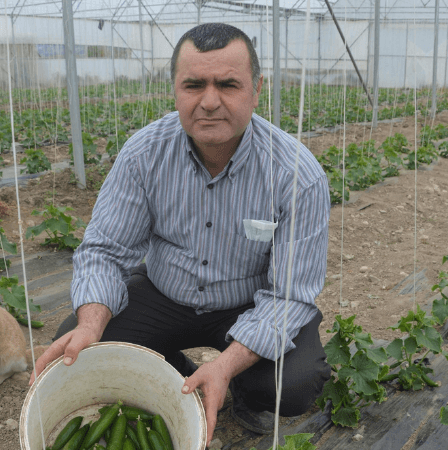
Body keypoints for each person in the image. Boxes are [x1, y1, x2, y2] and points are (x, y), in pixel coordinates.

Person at [30, 22, 331, 446]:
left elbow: (290, 295)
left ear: (256, 89)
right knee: (85, 345)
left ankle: (242, 391)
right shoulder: (144, 154)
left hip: (247, 304)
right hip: (163, 295)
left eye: (228, 84)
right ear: (175, 89)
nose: (209, 101)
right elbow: (104, 250)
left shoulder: (297, 174)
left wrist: (227, 365)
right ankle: (177, 372)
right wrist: (91, 321)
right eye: (194, 85)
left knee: (295, 382)